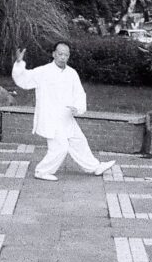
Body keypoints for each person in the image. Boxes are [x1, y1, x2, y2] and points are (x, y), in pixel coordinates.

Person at [12, 42, 116, 181]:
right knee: (60, 147)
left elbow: (79, 93)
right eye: (60, 54)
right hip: (50, 118)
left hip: (66, 117)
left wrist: (77, 107)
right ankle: (42, 171)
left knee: (79, 141)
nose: (62, 57)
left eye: (66, 55)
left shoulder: (72, 73)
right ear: (53, 54)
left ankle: (94, 167)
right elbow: (24, 79)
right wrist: (19, 63)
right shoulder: (43, 71)